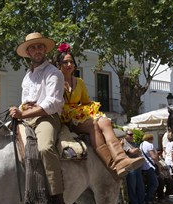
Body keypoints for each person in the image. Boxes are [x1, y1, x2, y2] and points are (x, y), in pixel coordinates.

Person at [54, 42, 144, 180]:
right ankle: (112, 165)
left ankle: (121, 159)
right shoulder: (54, 81)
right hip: (65, 118)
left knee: (105, 121)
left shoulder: (79, 82)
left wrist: (95, 113)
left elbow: (85, 103)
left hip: (79, 114)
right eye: (65, 62)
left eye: (71, 61)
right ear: (59, 65)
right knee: (94, 125)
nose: (69, 65)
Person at [9, 32, 67, 204]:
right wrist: (17, 110)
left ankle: (58, 202)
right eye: (32, 47)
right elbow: (25, 101)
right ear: (28, 52)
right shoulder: (27, 76)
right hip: (26, 117)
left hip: (47, 118)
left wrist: (25, 112)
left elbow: (53, 103)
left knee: (44, 148)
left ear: (45, 49)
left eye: (40, 46)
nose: (36, 50)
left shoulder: (54, 73)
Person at [122, 130, 146, 204]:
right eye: (130, 134)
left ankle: (141, 202)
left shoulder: (134, 143)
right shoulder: (124, 143)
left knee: (140, 185)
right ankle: (134, 203)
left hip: (137, 166)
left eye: (132, 134)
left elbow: (139, 152)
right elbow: (132, 151)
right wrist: (135, 150)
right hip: (131, 166)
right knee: (132, 185)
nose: (132, 136)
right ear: (126, 135)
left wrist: (135, 151)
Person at [140, 133, 159, 204]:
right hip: (150, 166)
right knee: (154, 184)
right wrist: (158, 164)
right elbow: (153, 157)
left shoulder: (141, 145)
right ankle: (149, 198)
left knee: (149, 184)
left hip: (143, 166)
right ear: (150, 138)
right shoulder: (149, 145)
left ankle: (148, 198)